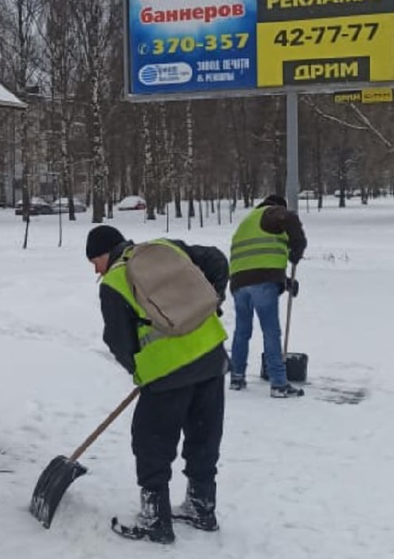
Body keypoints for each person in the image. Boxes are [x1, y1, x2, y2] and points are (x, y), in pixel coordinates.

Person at [85, 225, 231, 545]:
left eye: (94, 260)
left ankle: (156, 519)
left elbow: (118, 340)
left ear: (105, 253)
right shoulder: (167, 247)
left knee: (152, 443)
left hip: (166, 374)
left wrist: (140, 371)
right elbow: (218, 261)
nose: (95, 269)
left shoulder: (114, 281)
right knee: (203, 434)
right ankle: (201, 506)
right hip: (211, 356)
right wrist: (211, 303)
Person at [227, 194, 308, 398]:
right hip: (262, 283)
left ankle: (237, 377)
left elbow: (256, 259)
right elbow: (289, 218)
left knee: (242, 332)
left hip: (238, 284)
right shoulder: (272, 212)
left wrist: (286, 282)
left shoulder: (247, 222)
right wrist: (297, 246)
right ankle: (279, 383)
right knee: (271, 331)